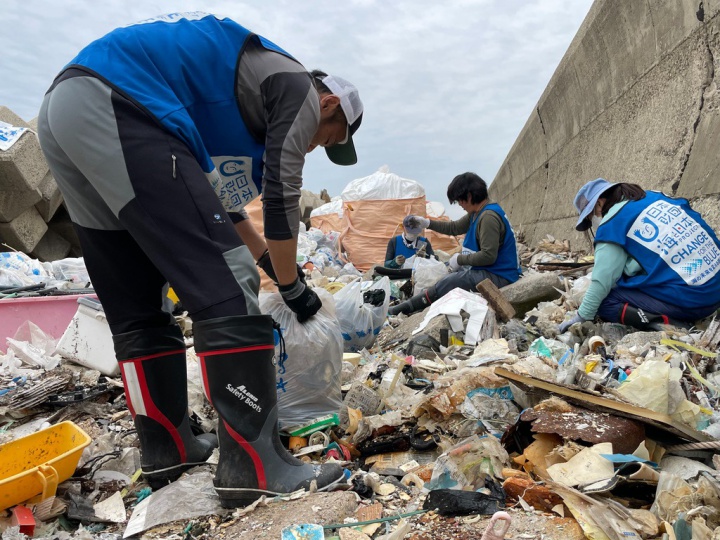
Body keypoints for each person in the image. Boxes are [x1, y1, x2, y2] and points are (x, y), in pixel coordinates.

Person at [37, 12, 363, 507]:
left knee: (139, 304)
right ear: (329, 102)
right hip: (122, 99)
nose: (318, 145)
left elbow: (220, 208)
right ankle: (255, 467)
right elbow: (279, 198)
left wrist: (273, 267)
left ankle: (168, 449)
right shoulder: (295, 86)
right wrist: (292, 286)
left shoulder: (224, 112)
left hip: (67, 110)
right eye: (329, 135)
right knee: (229, 286)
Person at [559, 179, 720, 333]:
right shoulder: (655, 196)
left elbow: (602, 281)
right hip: (715, 285)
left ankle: (674, 326)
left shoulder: (612, 224)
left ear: (600, 204)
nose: (593, 223)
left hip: (698, 302)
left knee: (604, 302)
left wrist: (582, 316)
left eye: (590, 217)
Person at [390, 172, 521, 315]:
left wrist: (459, 259)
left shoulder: (488, 217)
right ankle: (417, 303)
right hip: (491, 270)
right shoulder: (477, 213)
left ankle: (407, 307)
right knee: (446, 273)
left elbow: (488, 256)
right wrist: (427, 223)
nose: (459, 205)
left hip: (500, 276)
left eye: (459, 200)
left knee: (451, 281)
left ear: (469, 196)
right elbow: (454, 228)